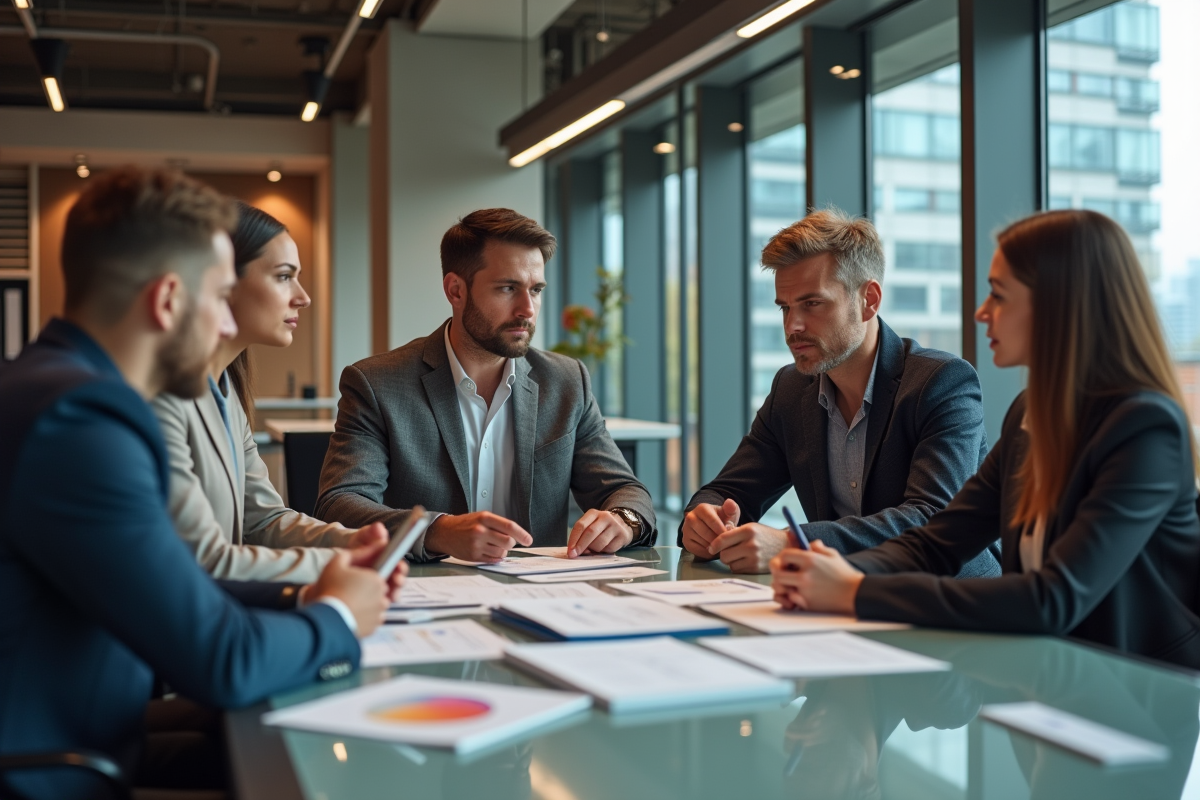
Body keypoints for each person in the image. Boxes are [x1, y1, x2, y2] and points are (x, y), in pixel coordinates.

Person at [0, 167, 402, 800]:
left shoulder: (55, 389)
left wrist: (303, 600)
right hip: (58, 769)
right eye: (219, 298)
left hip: (88, 727)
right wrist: (337, 617)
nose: (224, 328)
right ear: (166, 302)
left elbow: (177, 593)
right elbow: (223, 659)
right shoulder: (81, 421)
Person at [770, 210, 1200, 667]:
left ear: (1060, 304)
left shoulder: (1145, 428)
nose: (982, 312)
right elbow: (937, 541)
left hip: (1140, 702)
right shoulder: (1028, 416)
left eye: (999, 294)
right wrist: (835, 569)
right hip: (1053, 688)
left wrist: (856, 592)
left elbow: (1051, 600)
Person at [316, 208, 657, 562]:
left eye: (536, 289)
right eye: (508, 288)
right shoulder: (377, 383)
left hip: (542, 595)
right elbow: (340, 505)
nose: (527, 308)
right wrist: (436, 531)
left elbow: (626, 491)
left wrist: (622, 519)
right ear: (456, 290)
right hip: (425, 591)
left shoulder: (567, 381)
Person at [680, 208, 998, 576]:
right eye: (785, 307)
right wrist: (704, 522)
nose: (792, 326)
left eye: (812, 304)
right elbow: (727, 492)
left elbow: (932, 520)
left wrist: (793, 543)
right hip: (839, 602)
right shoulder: (791, 389)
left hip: (948, 600)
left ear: (869, 300)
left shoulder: (942, 382)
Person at [152, 202, 375, 582]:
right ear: (222, 282)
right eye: (284, 276)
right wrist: (339, 564)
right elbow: (202, 560)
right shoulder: (162, 398)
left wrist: (352, 542)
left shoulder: (227, 392)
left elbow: (262, 519)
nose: (302, 297)